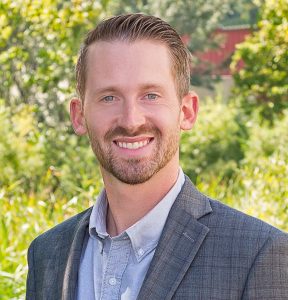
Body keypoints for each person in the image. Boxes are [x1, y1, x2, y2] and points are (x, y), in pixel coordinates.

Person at [26, 14, 288, 300]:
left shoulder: (258, 255)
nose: (131, 120)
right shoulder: (47, 254)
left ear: (187, 112)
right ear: (79, 116)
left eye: (150, 95)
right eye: (109, 97)